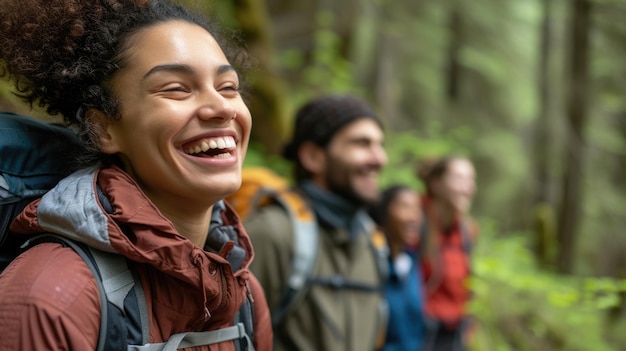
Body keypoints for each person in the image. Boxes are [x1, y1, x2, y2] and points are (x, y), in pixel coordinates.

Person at [0, 0, 272, 350]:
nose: (221, 107)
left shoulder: (243, 293)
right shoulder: (53, 297)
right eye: (176, 88)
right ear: (104, 129)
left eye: (228, 87)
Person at [244, 94, 388, 351]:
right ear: (313, 157)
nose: (379, 159)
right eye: (362, 143)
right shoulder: (272, 233)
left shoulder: (372, 243)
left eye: (379, 145)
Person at [416, 156, 478, 351]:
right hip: (420, 333)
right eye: (459, 179)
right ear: (436, 184)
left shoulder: (467, 230)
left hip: (454, 333)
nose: (467, 188)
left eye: (471, 180)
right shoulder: (413, 221)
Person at [369, 185, 427, 351]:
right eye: (405, 207)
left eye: (418, 208)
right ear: (383, 213)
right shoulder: (370, 265)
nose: (414, 217)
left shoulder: (412, 264)